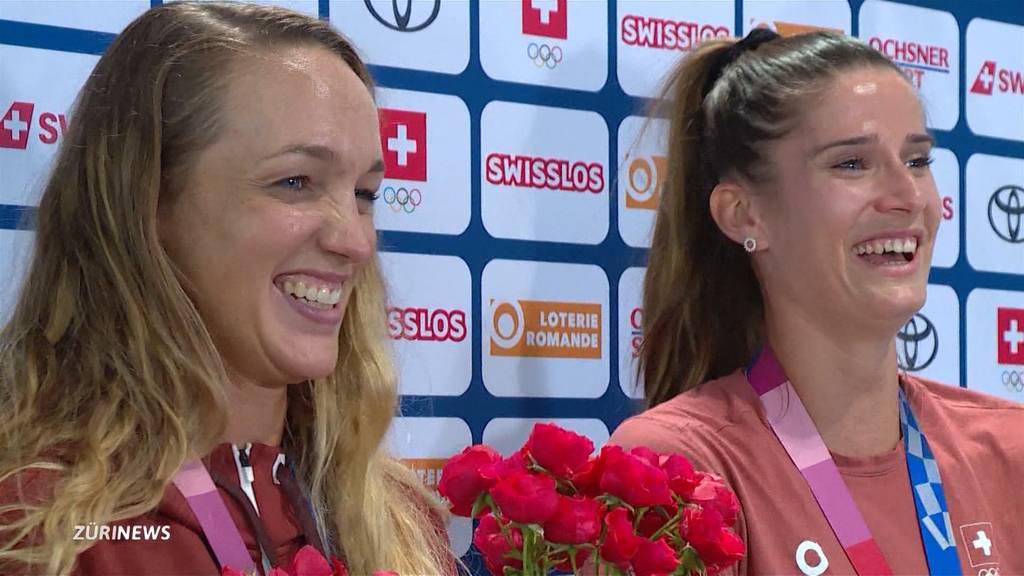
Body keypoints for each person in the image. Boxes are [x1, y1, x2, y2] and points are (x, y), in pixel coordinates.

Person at [0, 2, 456, 574]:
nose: (356, 242)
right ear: (147, 204)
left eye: (364, 194)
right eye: (295, 182)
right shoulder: (41, 531)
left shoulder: (399, 519)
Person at [611, 29, 1024, 575]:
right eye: (851, 164)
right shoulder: (684, 467)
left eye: (918, 160)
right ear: (744, 215)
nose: (908, 197)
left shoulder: (1008, 446)